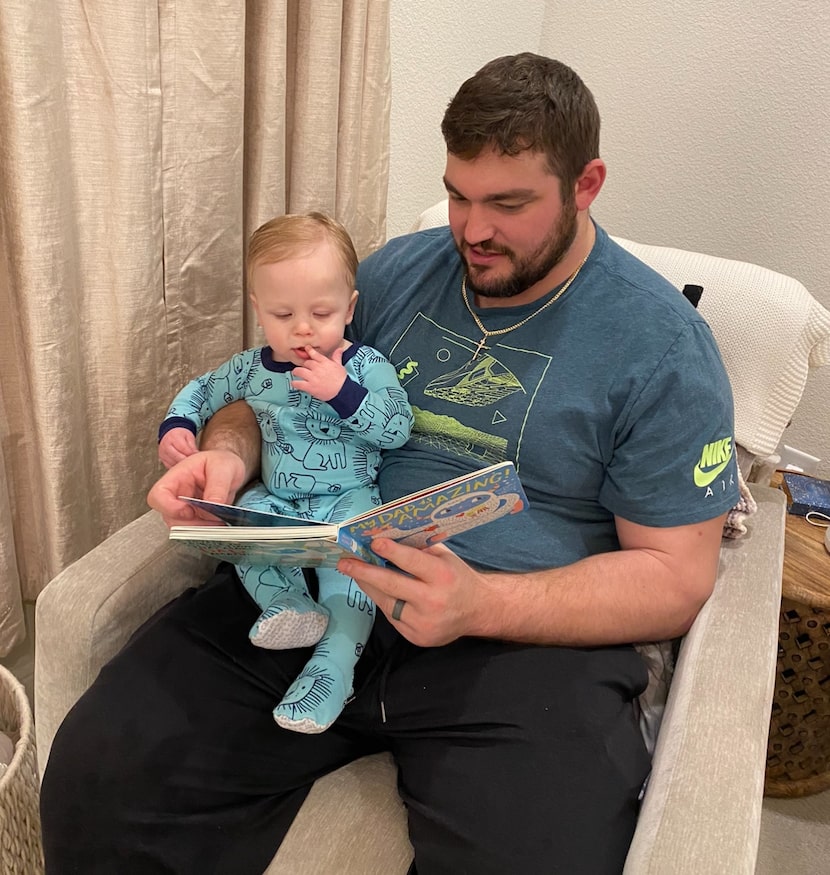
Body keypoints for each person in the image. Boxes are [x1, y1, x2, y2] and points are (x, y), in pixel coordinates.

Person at [40, 53, 740, 874]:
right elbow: (263, 391)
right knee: (99, 778)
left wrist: (484, 603)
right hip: (316, 576)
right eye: (458, 194)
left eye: (508, 203)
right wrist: (225, 457)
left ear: (586, 185)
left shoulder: (662, 349)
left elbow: (675, 575)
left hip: (513, 646)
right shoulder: (394, 272)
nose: (472, 230)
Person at [157, 212, 413, 733]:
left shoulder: (363, 365)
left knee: (357, 565)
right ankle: (286, 603)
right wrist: (178, 424)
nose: (302, 328)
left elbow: (397, 427)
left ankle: (334, 667)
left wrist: (343, 392)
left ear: (350, 308)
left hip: (349, 500)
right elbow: (203, 390)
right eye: (282, 313)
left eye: (322, 312)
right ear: (257, 311)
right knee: (244, 521)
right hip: (279, 499)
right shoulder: (251, 369)